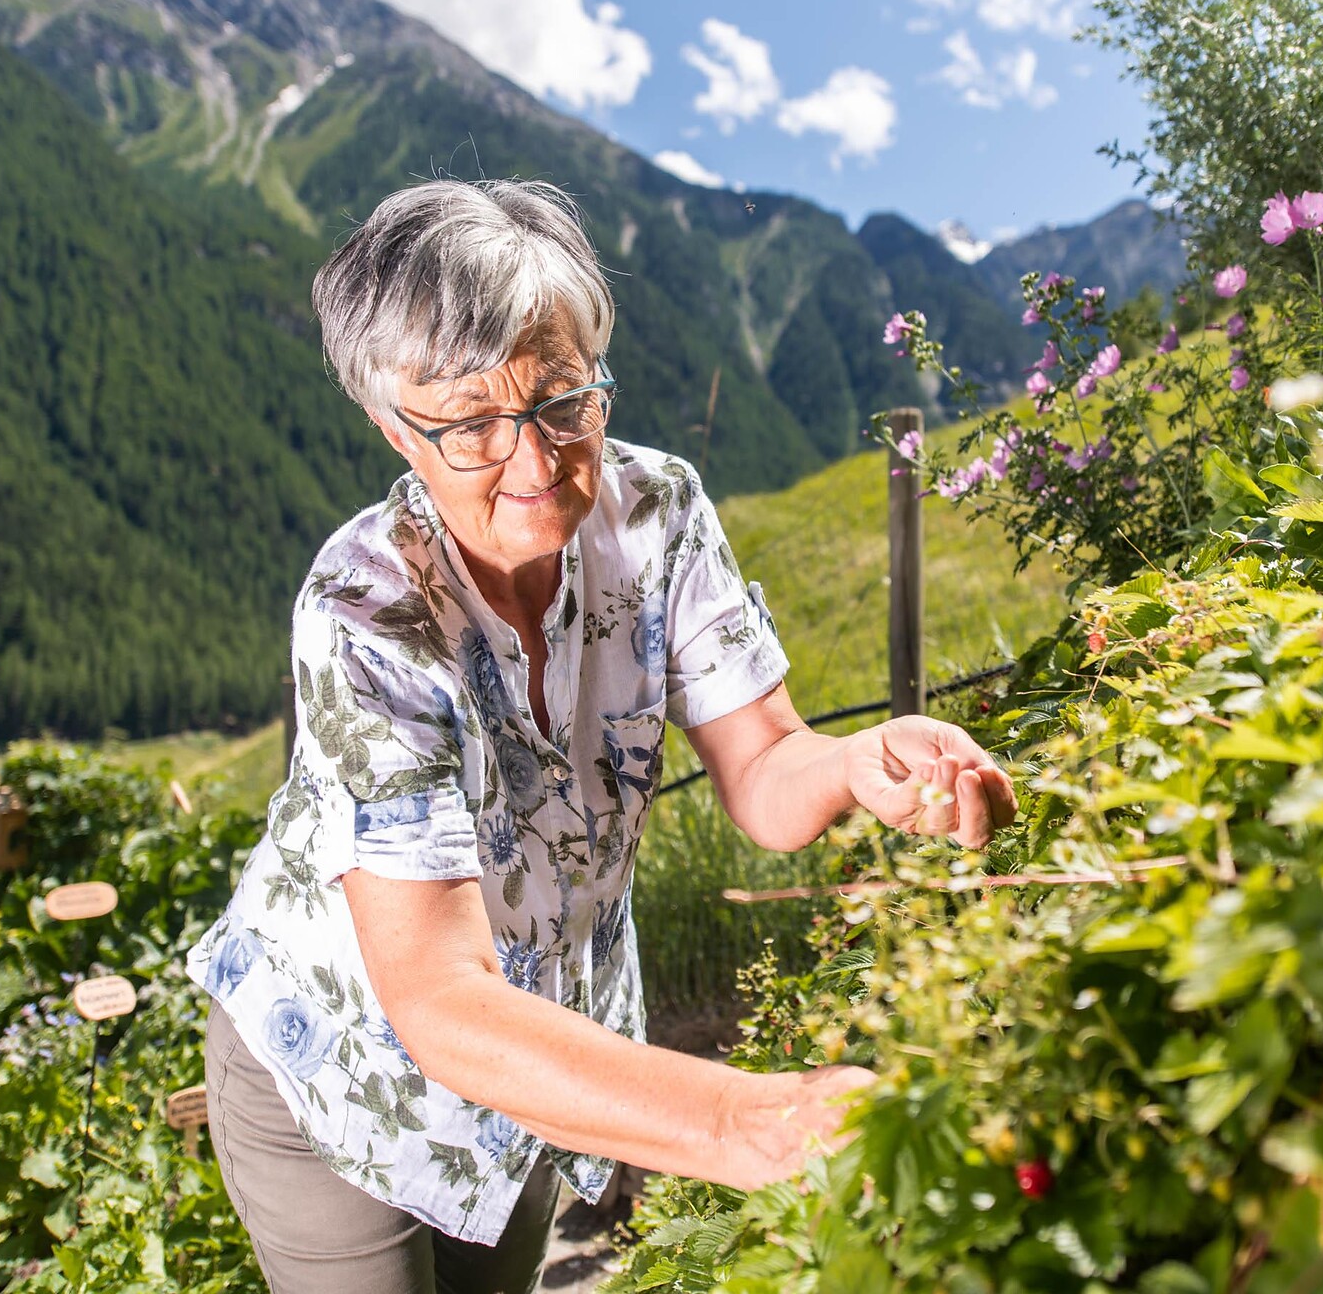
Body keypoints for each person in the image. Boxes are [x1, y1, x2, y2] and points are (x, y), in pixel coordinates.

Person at [185, 178, 1019, 1294]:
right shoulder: (364, 611)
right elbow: (436, 995)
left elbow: (768, 765)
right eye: (472, 424)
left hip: (538, 1056)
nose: (533, 463)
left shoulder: (660, 514)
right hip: (334, 1062)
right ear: (394, 426)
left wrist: (858, 765)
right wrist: (745, 1121)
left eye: (562, 401)